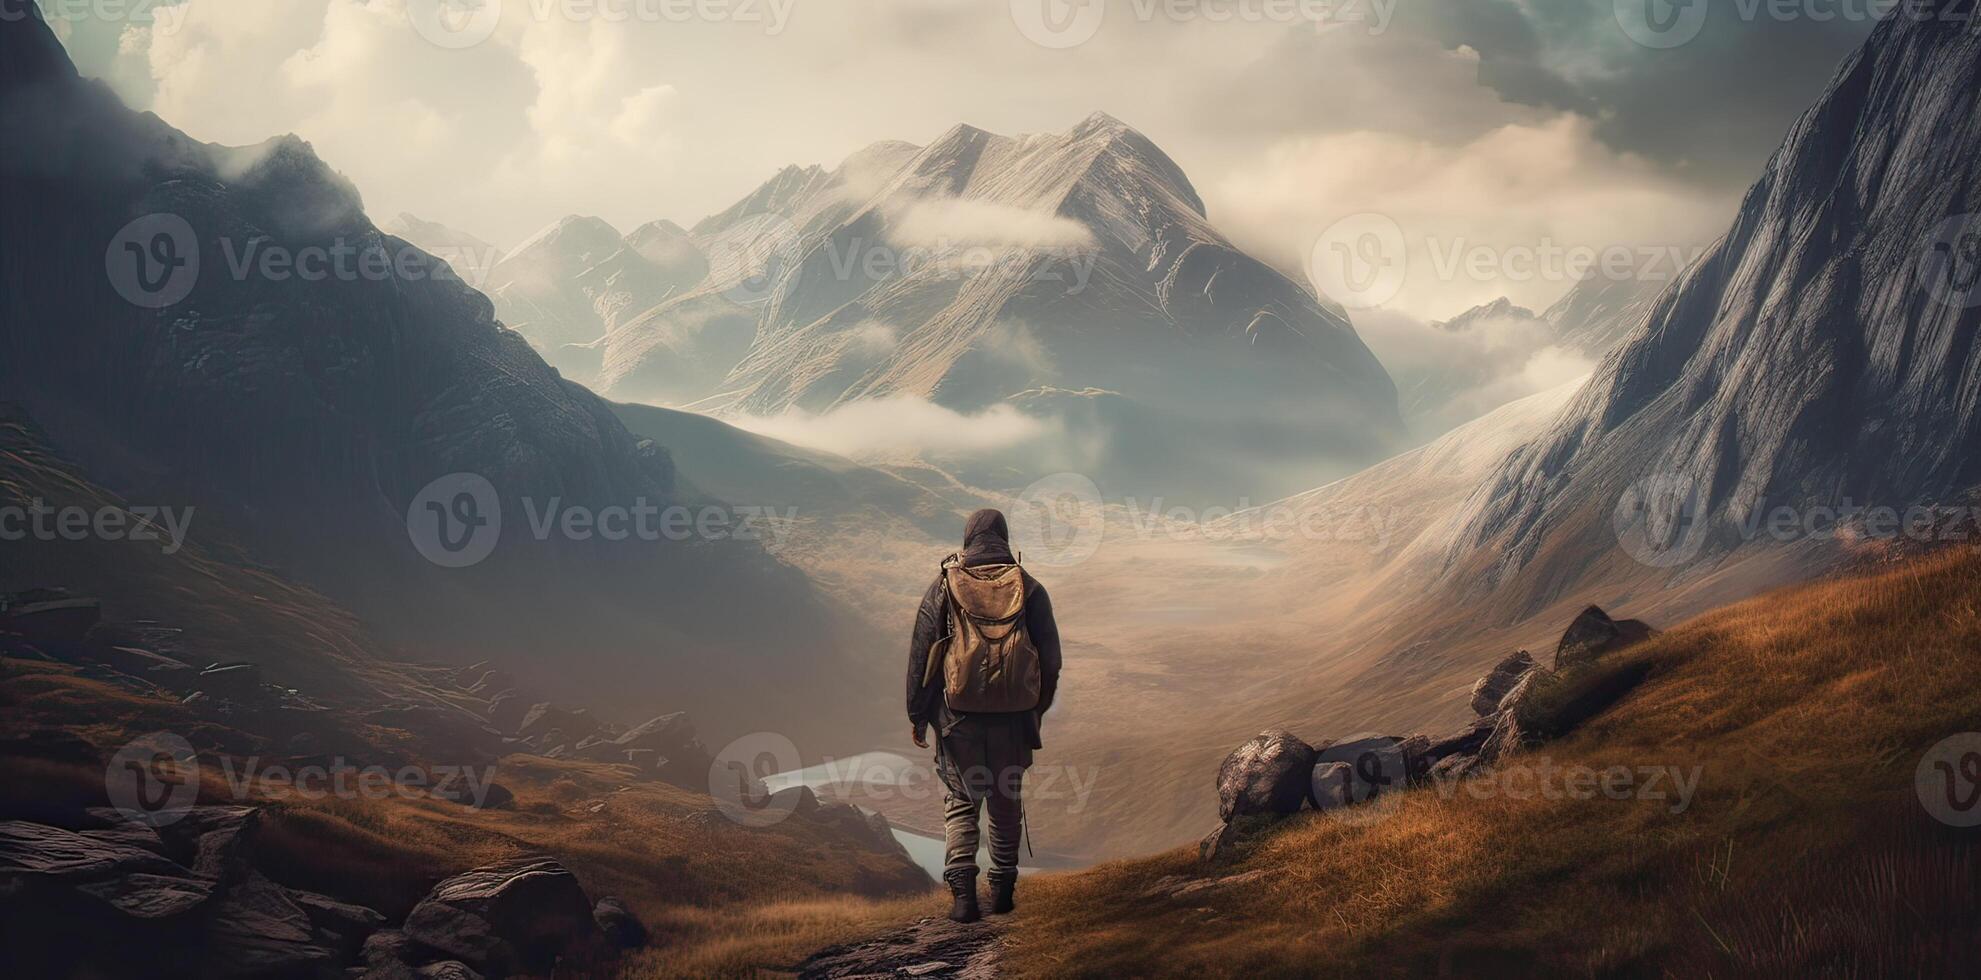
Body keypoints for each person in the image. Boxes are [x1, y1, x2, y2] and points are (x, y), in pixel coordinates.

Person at [906, 508, 1062, 923]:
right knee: (1005, 801)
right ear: (1004, 538)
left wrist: (918, 715)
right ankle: (1003, 891)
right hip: (1014, 721)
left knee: (961, 800)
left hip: (958, 722)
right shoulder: (1029, 588)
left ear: (969, 538)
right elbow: (1051, 661)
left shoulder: (945, 586)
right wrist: (1034, 712)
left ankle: (963, 899)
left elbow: (922, 656)